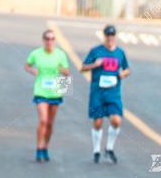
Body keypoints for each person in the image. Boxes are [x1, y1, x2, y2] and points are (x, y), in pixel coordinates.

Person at [80, 24, 130, 164]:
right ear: (104, 36)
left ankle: (109, 148)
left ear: (115, 37)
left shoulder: (120, 53)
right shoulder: (96, 51)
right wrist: (94, 65)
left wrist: (123, 73)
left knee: (116, 120)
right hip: (97, 93)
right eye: (108, 36)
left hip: (113, 94)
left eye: (112, 36)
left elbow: (127, 69)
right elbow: (83, 67)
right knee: (98, 121)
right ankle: (96, 150)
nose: (110, 38)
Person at [25, 29, 71, 163]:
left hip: (55, 90)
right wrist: (32, 70)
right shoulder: (36, 53)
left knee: (50, 123)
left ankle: (46, 147)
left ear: (54, 41)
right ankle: (39, 147)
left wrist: (62, 71)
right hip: (41, 90)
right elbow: (27, 65)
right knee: (43, 120)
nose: (49, 41)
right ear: (43, 40)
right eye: (47, 38)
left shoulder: (60, 54)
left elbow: (67, 72)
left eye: (52, 39)